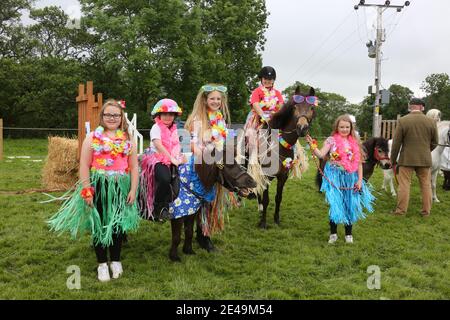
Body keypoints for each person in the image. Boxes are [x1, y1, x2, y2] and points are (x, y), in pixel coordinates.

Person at [48, 99, 140, 282]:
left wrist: (133, 189)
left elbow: (135, 167)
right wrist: (87, 190)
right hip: (99, 186)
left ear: (121, 117)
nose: (112, 118)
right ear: (102, 117)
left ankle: (115, 260)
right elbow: (84, 165)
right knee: (100, 223)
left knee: (117, 225)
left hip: (120, 186)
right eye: (108, 114)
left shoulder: (128, 139)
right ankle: (102, 264)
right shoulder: (92, 138)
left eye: (116, 115)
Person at [178, 83, 232, 252]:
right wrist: (202, 152)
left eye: (218, 99)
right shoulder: (197, 119)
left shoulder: (220, 119)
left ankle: (204, 236)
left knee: (210, 202)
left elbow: (222, 141)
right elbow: (188, 143)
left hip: (215, 163)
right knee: (197, 200)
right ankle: (187, 235)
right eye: (212, 98)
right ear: (205, 100)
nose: (215, 101)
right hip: (199, 164)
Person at [306, 114, 375, 244]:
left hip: (351, 177)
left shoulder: (354, 142)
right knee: (335, 204)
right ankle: (333, 234)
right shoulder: (331, 140)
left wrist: (360, 180)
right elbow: (321, 154)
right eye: (341, 127)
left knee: (350, 204)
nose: (344, 129)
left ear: (351, 128)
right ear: (337, 127)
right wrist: (312, 145)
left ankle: (348, 234)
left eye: (347, 127)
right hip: (335, 176)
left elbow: (359, 163)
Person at [390, 98, 438, 217]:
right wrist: (427, 150)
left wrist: (393, 159)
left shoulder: (403, 121)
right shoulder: (431, 122)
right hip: (425, 158)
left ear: (410, 106)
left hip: (407, 158)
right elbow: (435, 142)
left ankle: (400, 211)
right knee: (426, 185)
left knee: (404, 185)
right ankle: (426, 212)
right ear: (422, 107)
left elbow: (396, 143)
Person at [139, 99, 185, 221]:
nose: (167, 117)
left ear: (174, 116)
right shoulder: (156, 127)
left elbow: (176, 145)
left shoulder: (175, 129)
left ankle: (179, 203)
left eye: (170, 114)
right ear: (159, 115)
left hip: (171, 157)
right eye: (164, 114)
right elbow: (159, 146)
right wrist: (171, 159)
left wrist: (177, 157)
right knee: (165, 178)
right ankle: (158, 207)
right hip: (156, 157)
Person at [243, 66, 284, 150]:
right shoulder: (257, 91)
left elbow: (281, 105)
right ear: (261, 79)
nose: (267, 81)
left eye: (270, 79)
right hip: (258, 115)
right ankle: (246, 147)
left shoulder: (277, 93)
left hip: (274, 116)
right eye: (265, 78)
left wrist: (277, 115)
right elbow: (255, 104)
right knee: (249, 130)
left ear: (273, 80)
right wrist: (264, 116)